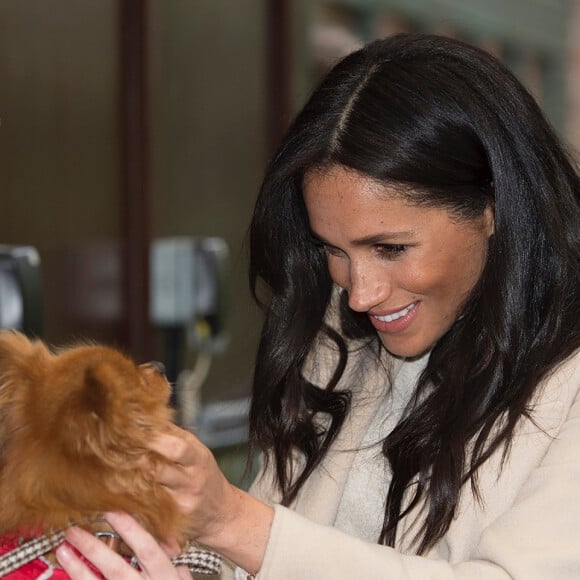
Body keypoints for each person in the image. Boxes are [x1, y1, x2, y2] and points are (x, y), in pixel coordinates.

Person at [59, 32, 579, 579]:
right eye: (335, 250)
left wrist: (232, 520)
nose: (361, 293)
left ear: (492, 207)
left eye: (391, 248)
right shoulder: (342, 335)